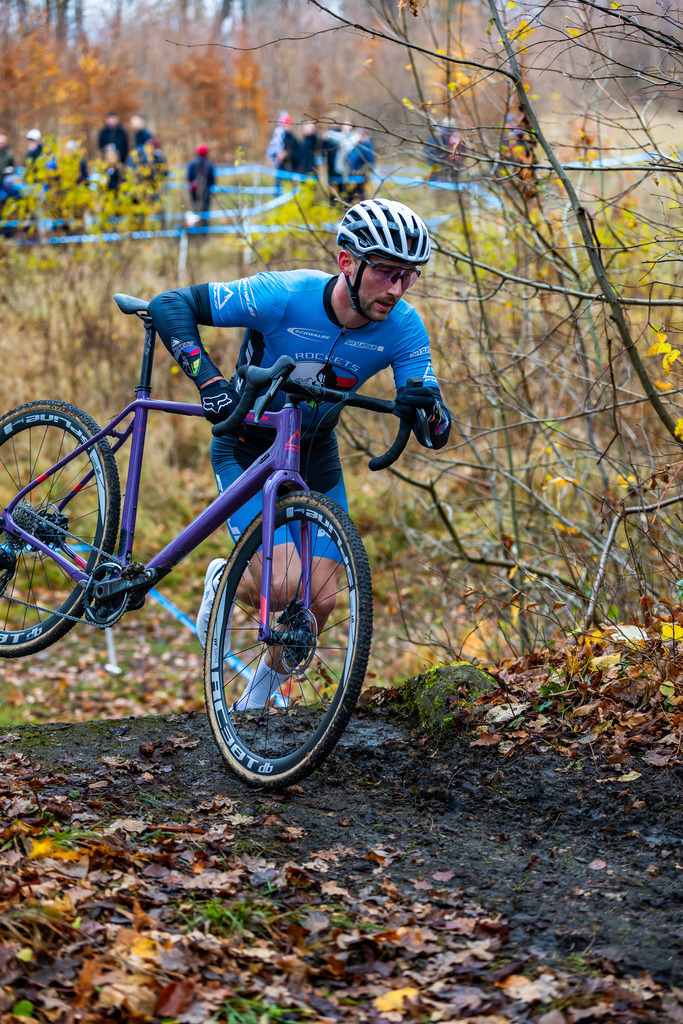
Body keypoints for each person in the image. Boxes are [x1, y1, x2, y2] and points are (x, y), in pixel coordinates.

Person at [148, 198, 451, 709]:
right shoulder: (284, 295)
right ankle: (226, 578)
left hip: (314, 454)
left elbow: (435, 429)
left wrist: (431, 412)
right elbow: (169, 305)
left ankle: (254, 705)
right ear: (347, 262)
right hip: (249, 447)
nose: (397, 289)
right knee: (286, 586)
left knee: (321, 602)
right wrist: (210, 382)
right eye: (386, 272)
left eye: (409, 276)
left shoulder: (404, 327)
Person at [187, 144, 215, 220]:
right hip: (206, 192)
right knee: (205, 213)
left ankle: (196, 229)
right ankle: (204, 230)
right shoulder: (209, 164)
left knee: (195, 211)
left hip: (194, 191)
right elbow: (212, 179)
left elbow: (188, 177)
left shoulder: (192, 163)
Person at [347, 129, 375, 201]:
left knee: (360, 192)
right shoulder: (356, 145)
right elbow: (351, 156)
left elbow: (370, 161)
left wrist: (364, 172)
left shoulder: (367, 146)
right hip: (353, 173)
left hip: (361, 174)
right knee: (352, 191)